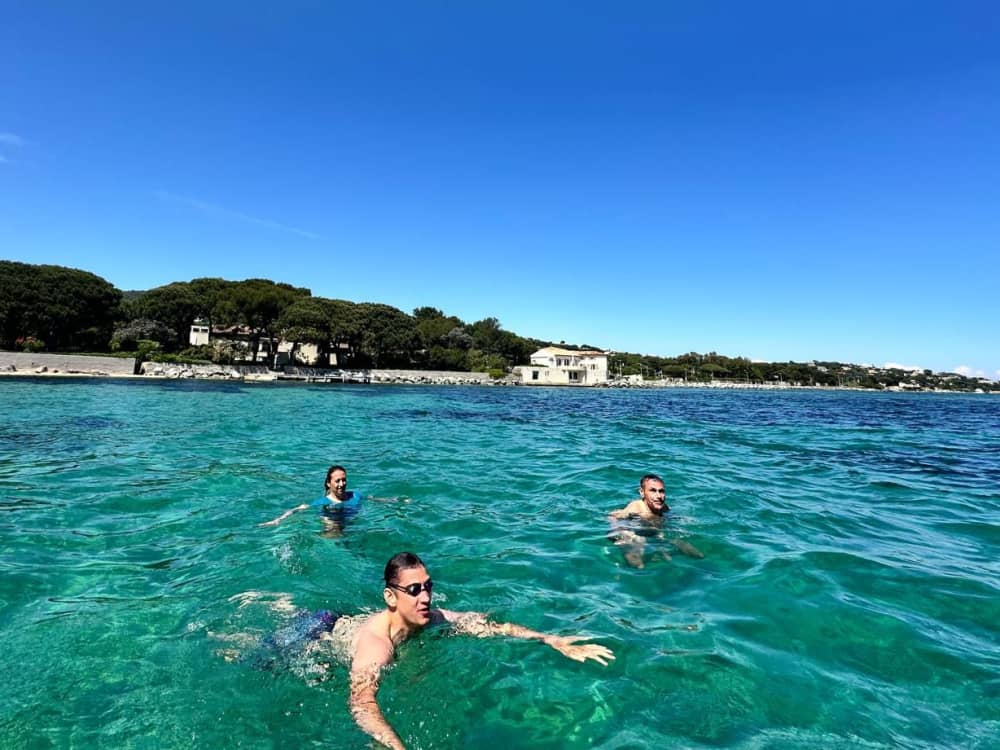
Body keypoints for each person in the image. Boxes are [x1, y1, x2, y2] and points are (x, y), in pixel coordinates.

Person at [334, 552, 614, 749]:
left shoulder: (434, 618)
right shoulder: (377, 646)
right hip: (322, 631)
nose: (426, 597)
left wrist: (549, 639)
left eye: (428, 586)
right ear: (390, 596)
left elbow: (491, 626)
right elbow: (362, 704)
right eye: (415, 589)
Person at [608, 473, 704, 567]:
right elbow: (614, 516)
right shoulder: (636, 507)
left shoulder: (664, 507)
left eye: (661, 491)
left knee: (693, 552)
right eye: (653, 491)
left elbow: (671, 517)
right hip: (635, 532)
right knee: (637, 561)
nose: (658, 496)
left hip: (654, 533)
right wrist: (617, 533)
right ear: (642, 492)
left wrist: (686, 520)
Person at [259, 465, 363, 531]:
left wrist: (379, 501)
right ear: (328, 483)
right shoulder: (324, 502)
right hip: (333, 523)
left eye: (343, 480)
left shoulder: (355, 495)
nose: (341, 484)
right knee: (333, 528)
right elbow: (299, 508)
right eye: (337, 481)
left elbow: (370, 499)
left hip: (351, 526)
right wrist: (278, 520)